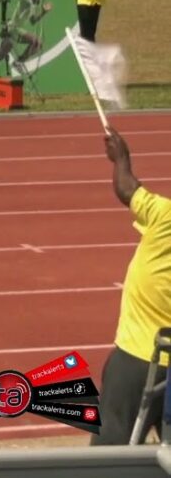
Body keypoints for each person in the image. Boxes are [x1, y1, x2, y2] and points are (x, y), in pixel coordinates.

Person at [91, 127, 170, 445]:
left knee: (111, 447)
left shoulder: (166, 216)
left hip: (138, 358)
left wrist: (121, 157)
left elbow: (127, 189)